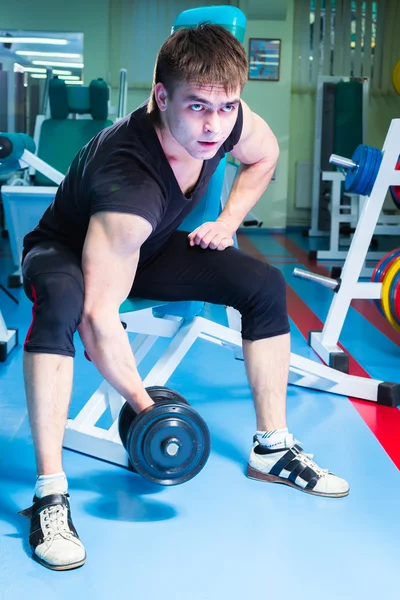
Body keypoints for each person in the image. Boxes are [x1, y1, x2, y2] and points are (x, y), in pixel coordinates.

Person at [20, 23, 349, 572]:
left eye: (225, 107)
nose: (213, 125)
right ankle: (50, 494)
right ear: (161, 96)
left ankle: (272, 448)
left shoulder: (229, 121)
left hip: (143, 246)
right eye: (197, 107)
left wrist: (228, 220)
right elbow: (99, 322)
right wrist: (149, 410)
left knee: (264, 286)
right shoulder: (130, 178)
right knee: (60, 305)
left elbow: (262, 157)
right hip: (67, 248)